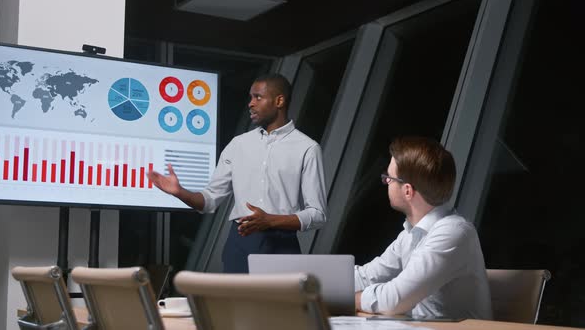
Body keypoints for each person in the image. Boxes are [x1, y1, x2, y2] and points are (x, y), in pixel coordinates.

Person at [147, 73, 327, 273]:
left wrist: (270, 220)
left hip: (282, 245)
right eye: (250, 97)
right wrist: (180, 192)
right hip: (240, 243)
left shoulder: (308, 148)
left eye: (258, 97)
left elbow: (317, 214)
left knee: (277, 306)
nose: (251, 103)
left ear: (279, 100)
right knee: (235, 305)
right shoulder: (237, 144)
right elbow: (208, 200)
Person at [354, 136, 492, 319]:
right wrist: (312, 282)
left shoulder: (454, 233)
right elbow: (367, 276)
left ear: (408, 191)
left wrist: (349, 298)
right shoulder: (410, 234)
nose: (386, 183)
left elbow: (395, 298)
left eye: (388, 178)